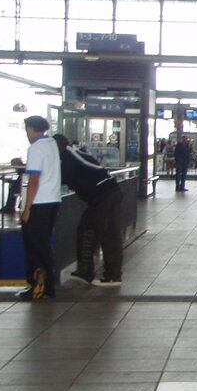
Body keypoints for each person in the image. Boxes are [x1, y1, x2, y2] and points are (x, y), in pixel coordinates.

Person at [54, 135, 123, 287]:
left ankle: (112, 276)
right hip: (101, 196)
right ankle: (85, 272)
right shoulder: (72, 153)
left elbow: (63, 177)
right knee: (87, 230)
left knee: (108, 234)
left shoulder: (68, 156)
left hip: (105, 195)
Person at [20, 116, 61, 299]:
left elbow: (34, 181)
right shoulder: (51, 143)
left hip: (39, 202)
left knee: (34, 246)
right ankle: (48, 287)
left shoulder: (35, 149)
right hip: (53, 200)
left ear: (30, 129)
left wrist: (27, 208)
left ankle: (38, 287)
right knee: (43, 244)